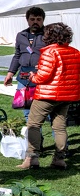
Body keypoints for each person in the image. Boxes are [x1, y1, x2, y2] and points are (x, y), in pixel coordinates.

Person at [20, 23, 80, 170]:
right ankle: (59, 158)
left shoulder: (49, 52)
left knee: (33, 124)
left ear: (49, 36)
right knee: (60, 127)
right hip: (66, 96)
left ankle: (32, 158)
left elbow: (43, 76)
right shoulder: (75, 52)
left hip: (47, 94)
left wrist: (33, 76)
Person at [3, 7, 46, 118]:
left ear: (43, 20)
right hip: (24, 76)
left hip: (42, 75)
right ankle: (35, 136)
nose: (35, 22)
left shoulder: (48, 36)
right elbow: (17, 55)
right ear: (27, 20)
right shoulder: (21, 35)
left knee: (45, 110)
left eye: (38, 19)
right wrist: (10, 73)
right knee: (27, 110)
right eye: (32, 19)